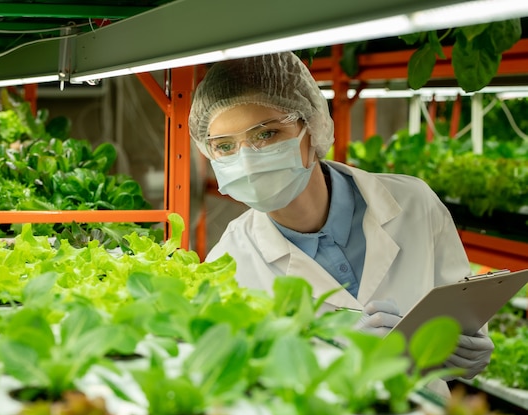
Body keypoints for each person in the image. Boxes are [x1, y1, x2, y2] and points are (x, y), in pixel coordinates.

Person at [188, 51, 493, 390]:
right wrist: (327, 366)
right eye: (226, 147)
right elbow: (241, 391)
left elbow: (461, 315)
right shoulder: (227, 262)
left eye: (267, 134)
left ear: (312, 126)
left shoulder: (414, 202)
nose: (247, 161)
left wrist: (467, 352)